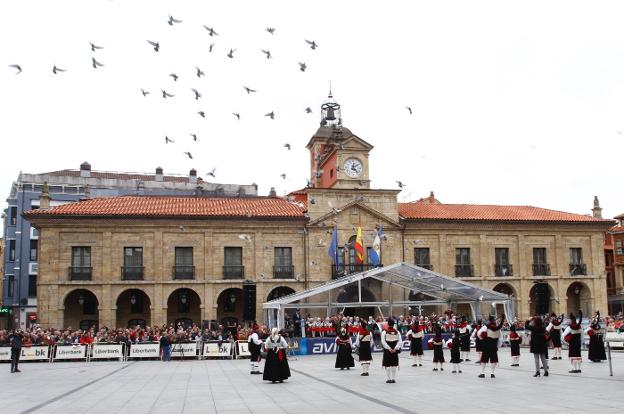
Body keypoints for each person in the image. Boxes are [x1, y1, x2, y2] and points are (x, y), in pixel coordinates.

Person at [478, 314, 505, 378]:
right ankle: (492, 373)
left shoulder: (486, 327)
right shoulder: (498, 328)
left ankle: (482, 373)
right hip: (494, 345)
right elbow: (501, 339)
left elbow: (479, 333)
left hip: (486, 344)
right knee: (494, 359)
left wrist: (482, 339)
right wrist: (498, 346)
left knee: (484, 359)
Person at [381, 318, 401, 383]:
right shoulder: (397, 332)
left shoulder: (384, 332)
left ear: (387, 324)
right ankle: (393, 378)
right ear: (393, 324)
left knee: (387, 364)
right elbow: (400, 341)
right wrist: (395, 348)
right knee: (394, 364)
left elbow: (383, 342)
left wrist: (389, 348)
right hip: (394, 350)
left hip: (387, 350)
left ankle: (389, 378)